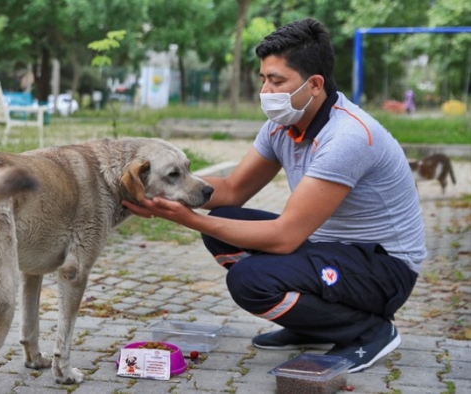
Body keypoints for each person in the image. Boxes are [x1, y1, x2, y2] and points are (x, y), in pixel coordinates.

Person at [122, 18, 425, 373]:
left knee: (249, 281)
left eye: (277, 81)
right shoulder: (282, 126)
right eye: (263, 79)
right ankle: (312, 321)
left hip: (384, 270)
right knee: (224, 222)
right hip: (332, 252)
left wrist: (187, 219)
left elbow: (284, 238)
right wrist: (165, 189)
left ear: (314, 85)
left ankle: (370, 330)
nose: (266, 91)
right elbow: (233, 190)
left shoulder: (348, 138)